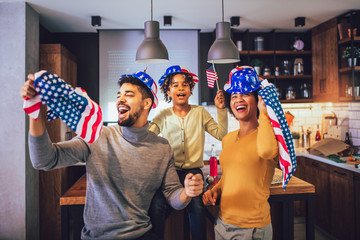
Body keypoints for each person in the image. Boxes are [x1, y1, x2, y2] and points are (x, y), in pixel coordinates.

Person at [19, 70, 204, 240]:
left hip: (141, 235)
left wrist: (187, 193)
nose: (120, 100)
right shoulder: (97, 135)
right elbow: (44, 160)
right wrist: (35, 114)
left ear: (147, 103)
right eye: (119, 95)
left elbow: (173, 196)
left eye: (128, 95)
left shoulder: (162, 148)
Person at [148, 65, 228, 240]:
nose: (180, 88)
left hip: (193, 173)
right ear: (168, 91)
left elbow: (221, 134)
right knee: (157, 206)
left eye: (185, 84)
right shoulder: (162, 115)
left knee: (197, 208)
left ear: (191, 89)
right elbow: (145, 139)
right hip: (169, 174)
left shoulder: (200, 112)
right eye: (175, 85)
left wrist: (221, 110)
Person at [202, 66, 279, 240]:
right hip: (222, 223)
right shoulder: (228, 139)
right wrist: (216, 190)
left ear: (257, 98)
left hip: (252, 229)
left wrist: (265, 111)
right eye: (234, 96)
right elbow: (229, 177)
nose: (238, 100)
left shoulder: (267, 134)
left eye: (245, 94)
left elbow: (267, 151)